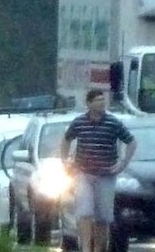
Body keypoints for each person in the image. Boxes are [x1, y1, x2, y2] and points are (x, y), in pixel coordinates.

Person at [60, 89, 136, 252]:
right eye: (97, 101)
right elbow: (66, 140)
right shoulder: (79, 122)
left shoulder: (112, 123)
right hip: (83, 173)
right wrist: (65, 161)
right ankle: (86, 247)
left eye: (103, 100)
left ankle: (99, 248)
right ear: (89, 104)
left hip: (106, 175)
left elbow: (131, 142)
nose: (101, 103)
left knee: (103, 216)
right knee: (84, 212)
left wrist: (123, 163)